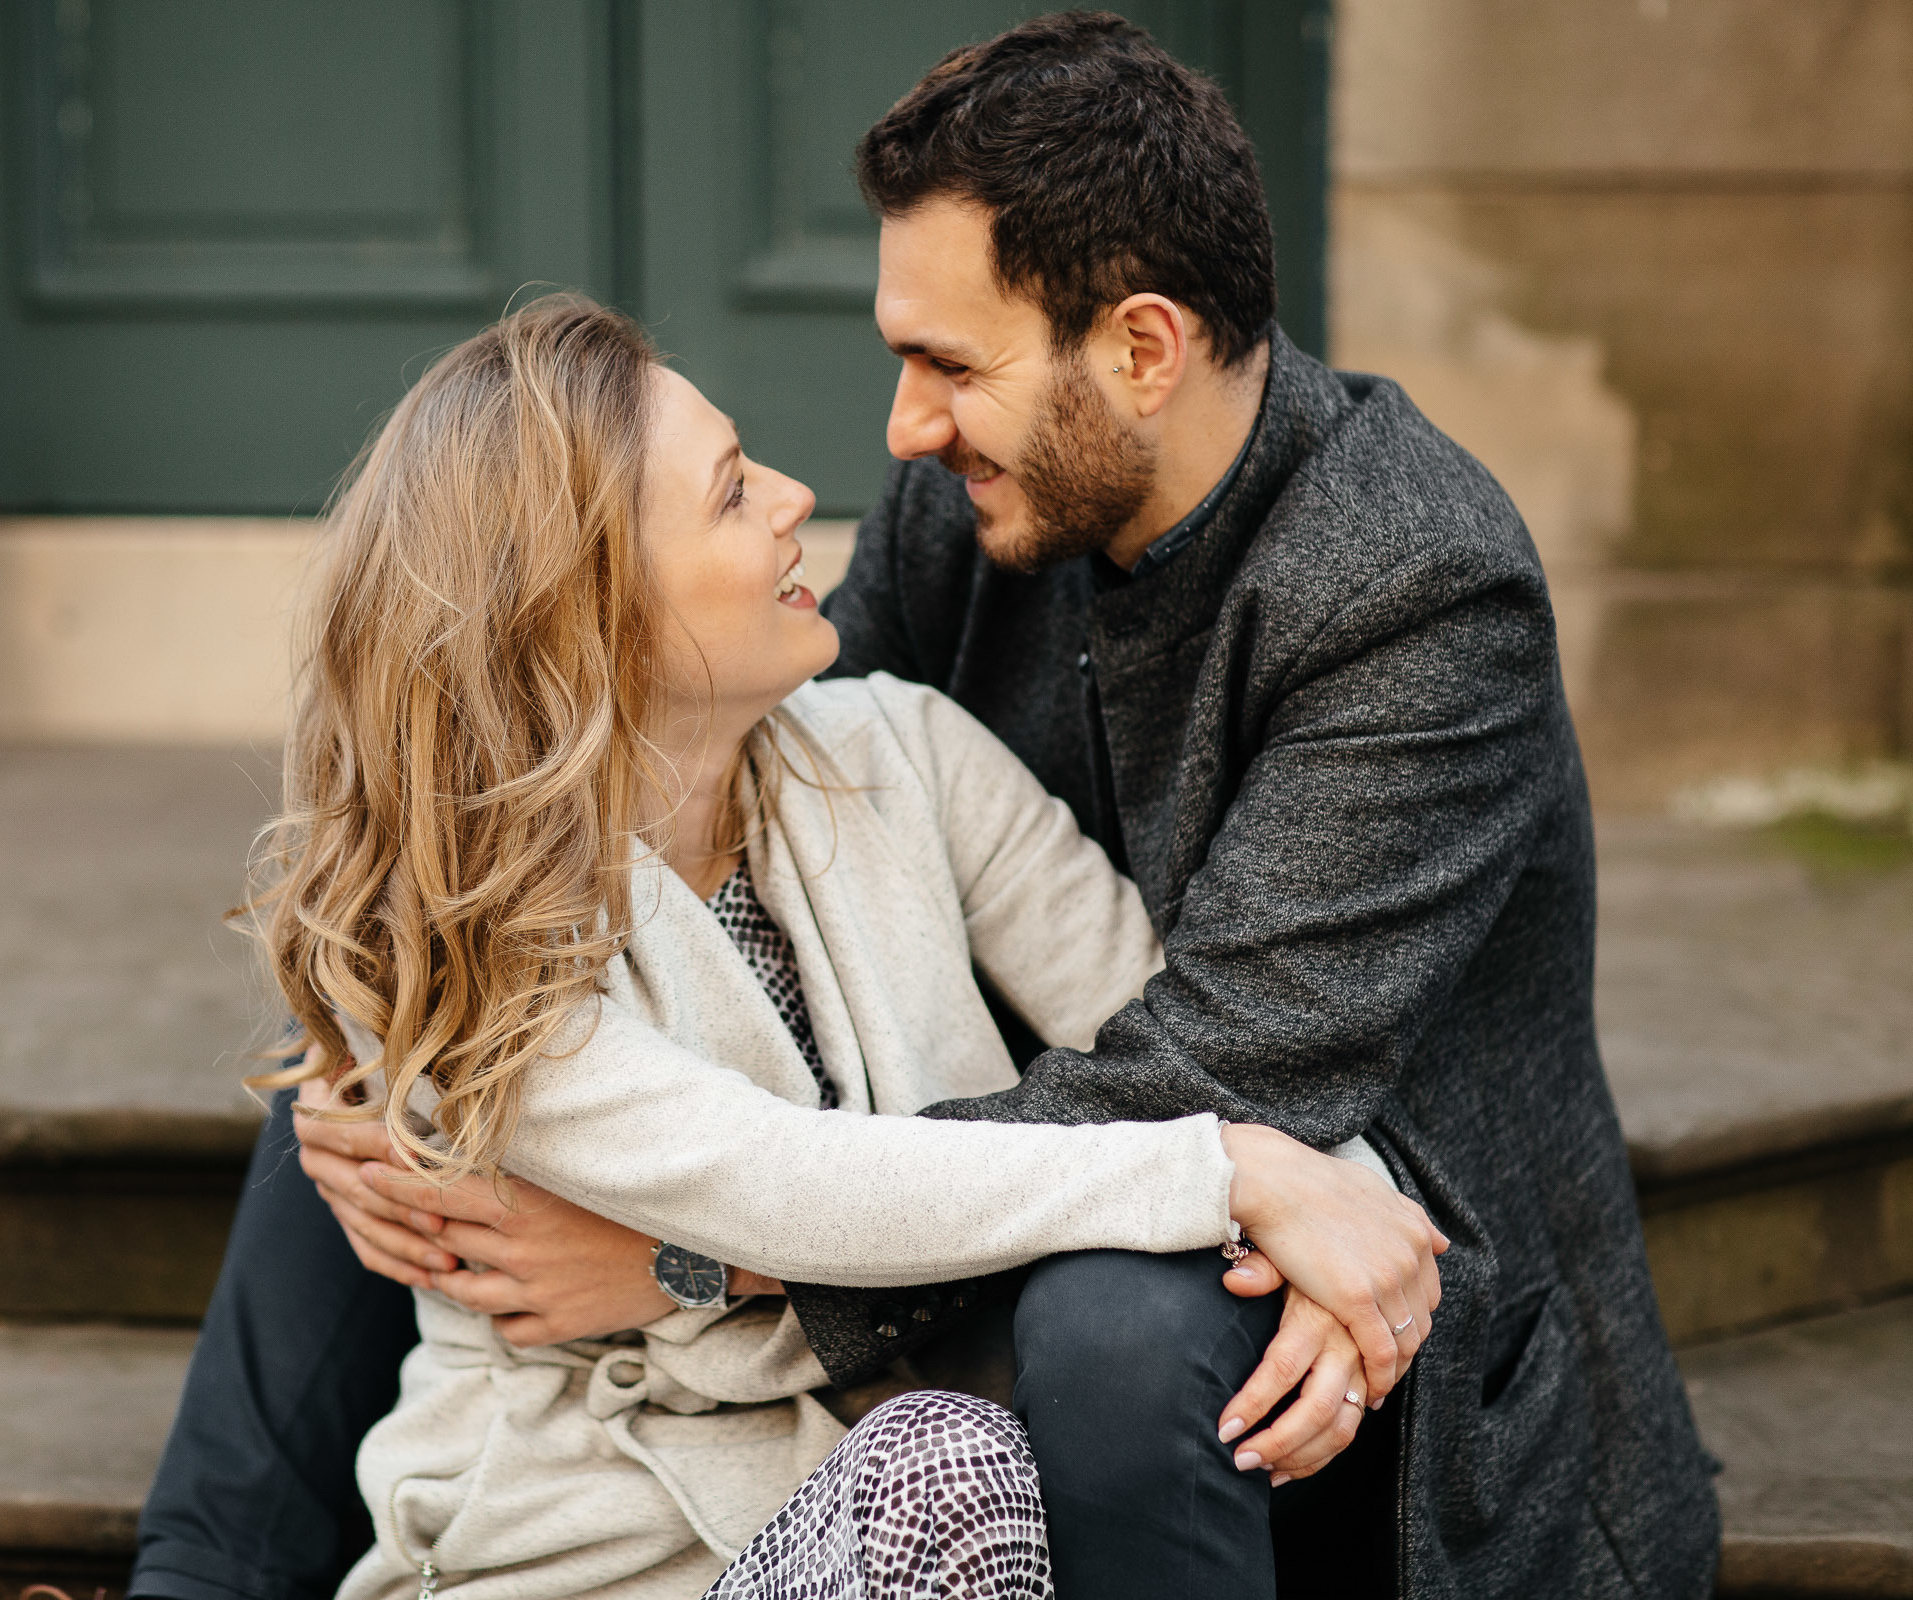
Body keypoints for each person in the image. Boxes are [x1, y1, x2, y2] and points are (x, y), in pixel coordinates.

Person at [137, 13, 1721, 1600]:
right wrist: (385, 1073)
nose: (896, 433)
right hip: (1038, 1180)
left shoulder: (1411, 586)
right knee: (384, 1061)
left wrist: (701, 1263)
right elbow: (772, 771)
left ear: (1142, 350)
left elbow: (1222, 1084)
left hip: (1337, 1290)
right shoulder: (973, 500)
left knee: (1106, 1316)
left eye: (950, 365)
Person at [171, 291, 1437, 1600]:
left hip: (885, 1534)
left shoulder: (904, 749)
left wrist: (1346, 1219)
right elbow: (788, 1180)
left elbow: (1184, 1045)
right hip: (587, 1567)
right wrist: (1228, 1177)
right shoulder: (470, 932)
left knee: (959, 1463)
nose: (793, 498)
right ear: (582, 608)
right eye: (729, 494)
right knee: (947, 1462)